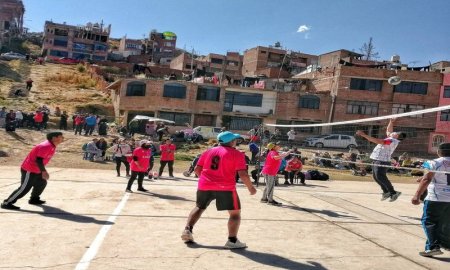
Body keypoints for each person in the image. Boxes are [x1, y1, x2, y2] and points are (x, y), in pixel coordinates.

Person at [180, 131, 257, 248]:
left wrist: (205, 180)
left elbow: (197, 169)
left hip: (205, 185)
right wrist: (251, 188)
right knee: (235, 214)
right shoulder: (237, 154)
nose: (236, 141)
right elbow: (243, 174)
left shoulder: (208, 151)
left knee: (199, 207)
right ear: (231, 141)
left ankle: (187, 230)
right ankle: (232, 241)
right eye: (235, 140)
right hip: (226, 187)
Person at [1, 132, 64, 210]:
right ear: (54, 138)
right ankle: (7, 203)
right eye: (61, 136)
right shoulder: (46, 146)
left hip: (37, 169)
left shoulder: (51, 145)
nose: (63, 138)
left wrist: (41, 171)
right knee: (24, 188)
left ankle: (34, 199)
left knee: (41, 183)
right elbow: (39, 160)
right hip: (29, 169)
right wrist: (44, 171)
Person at [411, 143, 450, 257]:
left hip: (436, 198)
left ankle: (433, 247)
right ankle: (436, 246)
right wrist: (422, 178)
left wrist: (417, 195)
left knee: (429, 222)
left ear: (439, 152)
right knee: (444, 223)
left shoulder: (433, 162)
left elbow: (427, 179)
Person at [356, 118, 405, 202]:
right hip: (377, 159)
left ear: (397, 136)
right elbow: (388, 130)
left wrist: (363, 135)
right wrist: (391, 122)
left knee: (380, 177)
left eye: (395, 133)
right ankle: (386, 192)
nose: (392, 133)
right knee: (376, 177)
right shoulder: (391, 138)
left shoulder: (392, 140)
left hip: (382, 160)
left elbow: (377, 141)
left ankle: (393, 192)